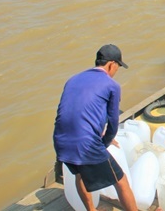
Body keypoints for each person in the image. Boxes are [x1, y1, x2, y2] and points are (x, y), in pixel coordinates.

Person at [53, 44, 137, 211]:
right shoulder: (112, 85)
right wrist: (103, 144)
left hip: (60, 141)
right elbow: (113, 123)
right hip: (86, 144)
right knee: (121, 181)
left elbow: (74, 113)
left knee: (80, 174)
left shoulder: (73, 79)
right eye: (118, 67)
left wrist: (98, 135)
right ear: (112, 64)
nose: (116, 72)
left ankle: (91, 210)